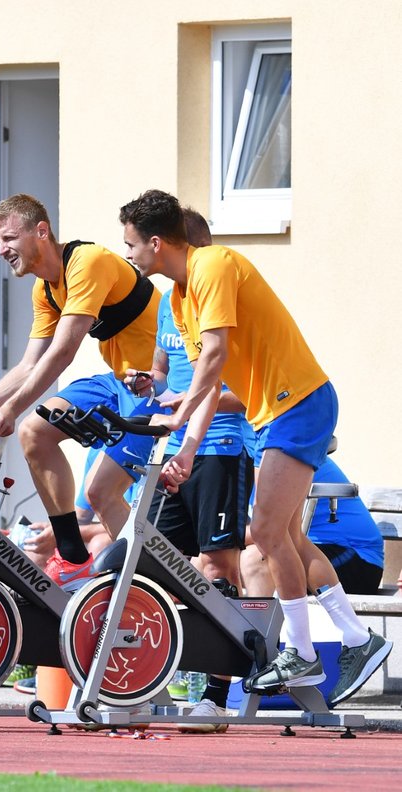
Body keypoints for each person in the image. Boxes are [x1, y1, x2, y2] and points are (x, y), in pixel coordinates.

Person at [119, 188, 391, 708]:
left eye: (131, 245)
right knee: (284, 535)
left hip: (301, 402)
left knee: (265, 531)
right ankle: (357, 640)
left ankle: (305, 651)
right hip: (270, 413)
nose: (128, 255)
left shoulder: (213, 264)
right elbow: (211, 378)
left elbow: (215, 354)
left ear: (156, 242)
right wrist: (186, 448)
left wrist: (178, 413)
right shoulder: (178, 299)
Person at [0, 194, 161, 591]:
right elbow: (27, 365)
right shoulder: (45, 290)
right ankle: (73, 554)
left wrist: (11, 408)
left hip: (156, 387)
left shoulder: (86, 262)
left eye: (8, 238)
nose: (2, 250)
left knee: (101, 493)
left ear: (42, 231)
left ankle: (149, 582)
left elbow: (64, 350)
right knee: (34, 431)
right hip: (118, 381)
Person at [129, 208, 255, 732]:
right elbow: (164, 371)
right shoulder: (171, 304)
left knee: (217, 565)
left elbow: (242, 389)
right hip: (174, 445)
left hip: (221, 447)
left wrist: (188, 403)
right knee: (151, 558)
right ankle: (152, 673)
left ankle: (218, 695)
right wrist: (152, 384)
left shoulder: (218, 294)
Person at [242, 458, 385, 597]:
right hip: (308, 546)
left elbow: (270, 529)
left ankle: (259, 621)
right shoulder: (241, 462)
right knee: (230, 562)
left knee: (254, 559)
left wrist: (224, 541)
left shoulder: (283, 457)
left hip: (357, 558)